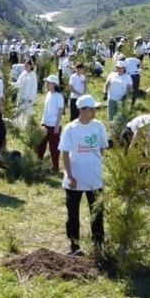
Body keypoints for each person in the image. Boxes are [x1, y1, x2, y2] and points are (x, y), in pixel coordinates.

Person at [59, 94, 108, 256]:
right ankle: (74, 245)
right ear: (82, 110)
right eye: (92, 108)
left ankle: (98, 243)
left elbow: (102, 147)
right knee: (73, 214)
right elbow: (65, 153)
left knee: (97, 212)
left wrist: (94, 162)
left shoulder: (98, 126)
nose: (95, 111)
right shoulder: (71, 128)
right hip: (75, 179)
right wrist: (70, 175)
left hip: (94, 178)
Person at [36, 74, 66, 172]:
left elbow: (60, 111)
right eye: (47, 82)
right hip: (45, 123)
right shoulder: (48, 94)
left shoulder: (59, 96)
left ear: (54, 84)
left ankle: (55, 167)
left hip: (54, 125)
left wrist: (57, 125)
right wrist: (42, 122)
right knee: (41, 145)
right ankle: (38, 163)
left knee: (54, 147)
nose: (47, 84)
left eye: (49, 82)